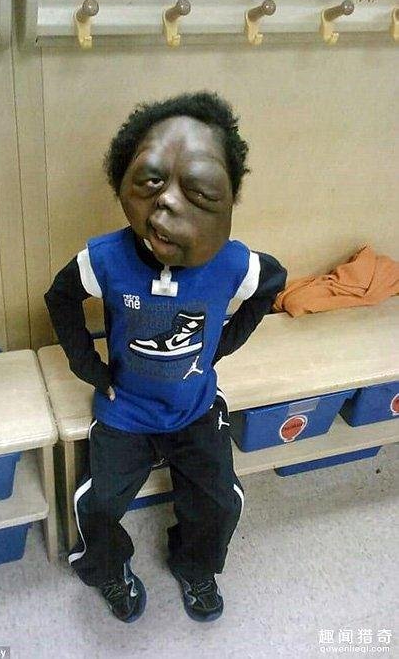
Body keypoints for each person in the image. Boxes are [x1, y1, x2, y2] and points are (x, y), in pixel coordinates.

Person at [44, 91, 287, 624]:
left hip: (194, 407)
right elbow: (60, 297)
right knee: (97, 504)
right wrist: (86, 365)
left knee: (221, 501)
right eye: (152, 182)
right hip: (126, 409)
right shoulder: (105, 258)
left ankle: (195, 564)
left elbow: (272, 283)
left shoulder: (233, 263)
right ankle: (109, 569)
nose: (170, 204)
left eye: (198, 190)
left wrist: (225, 343)